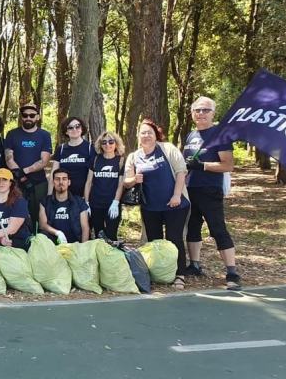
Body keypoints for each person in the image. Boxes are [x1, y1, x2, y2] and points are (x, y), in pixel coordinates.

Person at [182, 96, 241, 290]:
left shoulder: (220, 135)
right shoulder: (191, 135)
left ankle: (232, 272)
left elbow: (228, 165)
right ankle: (195, 265)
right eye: (197, 110)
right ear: (192, 114)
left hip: (210, 190)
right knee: (192, 228)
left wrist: (203, 165)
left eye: (205, 110)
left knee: (217, 229)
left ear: (213, 113)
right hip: (190, 190)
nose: (201, 113)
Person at [123, 119, 190, 289]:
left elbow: (181, 172)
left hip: (174, 204)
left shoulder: (167, 149)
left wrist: (176, 196)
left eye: (149, 133)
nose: (146, 136)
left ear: (156, 135)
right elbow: (126, 182)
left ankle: (179, 274)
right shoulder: (134, 156)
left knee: (174, 239)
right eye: (143, 133)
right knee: (154, 241)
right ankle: (159, 272)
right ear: (138, 136)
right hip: (150, 206)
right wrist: (134, 179)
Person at [5, 103, 52, 230]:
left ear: (38, 117)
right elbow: (9, 158)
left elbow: (44, 160)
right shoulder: (12, 134)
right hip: (16, 182)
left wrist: (24, 171)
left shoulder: (44, 135)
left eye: (32, 115)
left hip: (38, 183)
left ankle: (38, 238)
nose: (28, 118)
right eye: (25, 115)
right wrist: (19, 175)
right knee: (15, 212)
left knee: (39, 214)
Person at [84, 130, 125, 241]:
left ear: (116, 143)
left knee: (111, 235)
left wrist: (116, 202)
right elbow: (88, 182)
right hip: (95, 203)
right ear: (100, 145)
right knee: (99, 235)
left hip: (112, 204)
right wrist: (86, 202)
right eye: (104, 142)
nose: (108, 145)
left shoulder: (121, 161)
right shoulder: (96, 159)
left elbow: (121, 184)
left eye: (111, 142)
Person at [39, 169, 90, 244]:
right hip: (53, 244)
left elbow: (85, 228)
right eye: (57, 179)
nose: (61, 182)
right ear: (53, 182)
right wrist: (58, 233)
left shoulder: (79, 202)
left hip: (75, 244)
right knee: (42, 235)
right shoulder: (45, 202)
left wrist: (83, 248)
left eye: (64, 179)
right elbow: (42, 225)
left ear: (69, 182)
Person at [49, 116, 93, 198]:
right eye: (70, 127)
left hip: (83, 196)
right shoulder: (61, 149)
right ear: (66, 131)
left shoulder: (90, 148)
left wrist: (86, 199)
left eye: (77, 126)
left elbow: (91, 178)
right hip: (63, 196)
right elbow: (53, 174)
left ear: (82, 128)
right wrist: (49, 196)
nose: (74, 129)